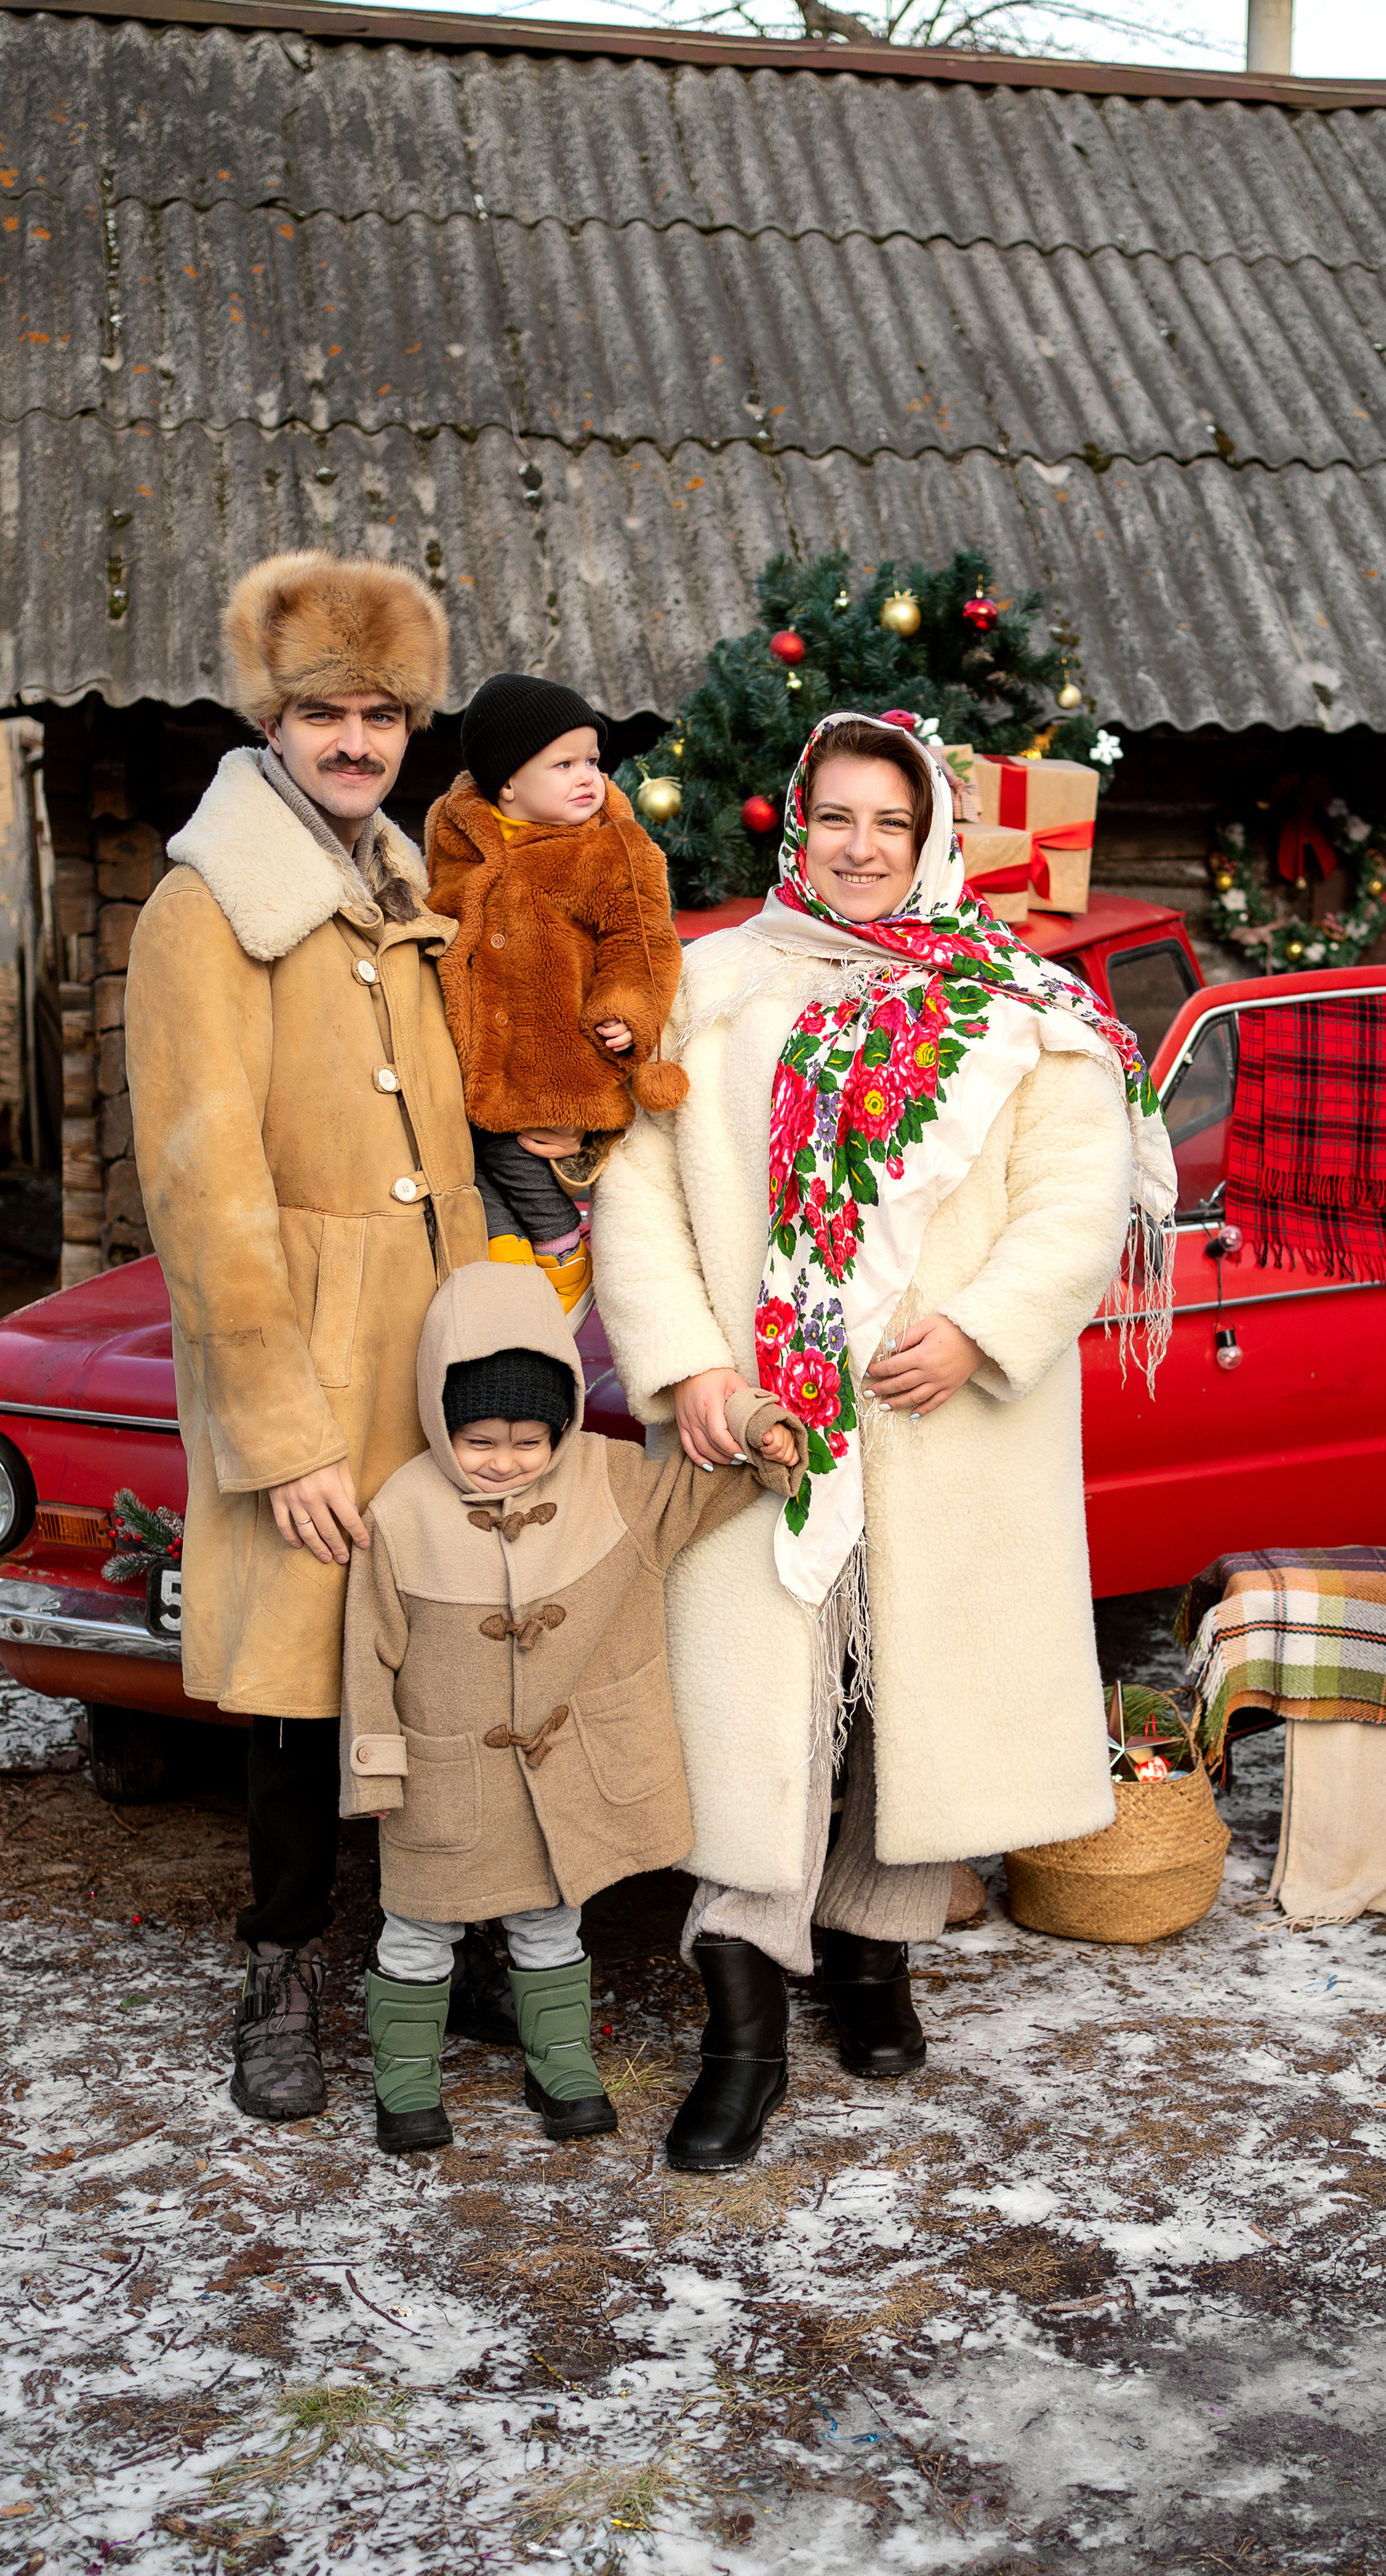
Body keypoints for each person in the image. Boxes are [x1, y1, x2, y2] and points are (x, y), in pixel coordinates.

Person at [591, 713, 1174, 2172]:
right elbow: (641, 1195)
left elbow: (1078, 1195)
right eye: (835, 817)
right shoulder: (714, 992)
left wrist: (981, 1326)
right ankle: (742, 2042)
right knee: (757, 1729)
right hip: (762, 1440)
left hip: (943, 1432)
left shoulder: (1023, 1009)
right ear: (798, 824)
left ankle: (872, 1961)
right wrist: (691, 1370)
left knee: (902, 1715)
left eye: (888, 826)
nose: (858, 848)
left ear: (933, 845)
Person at [125, 549, 484, 2126]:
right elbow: (207, 1197)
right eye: (327, 711)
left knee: (448, 1660)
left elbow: (460, 1151)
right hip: (308, 1368)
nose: (356, 740)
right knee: (297, 1694)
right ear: (273, 717)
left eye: (382, 714)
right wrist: (281, 1434)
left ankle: (449, 1940)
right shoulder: (206, 915)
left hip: (432, 1362)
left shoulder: (404, 904)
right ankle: (280, 1966)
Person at [340, 1260, 801, 2153]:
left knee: (551, 1924)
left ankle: (562, 2066)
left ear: (564, 1421)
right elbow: (370, 1651)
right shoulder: (402, 1508)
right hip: (448, 1778)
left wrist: (760, 1425)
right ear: (440, 1417)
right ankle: (404, 2082)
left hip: (563, 1784)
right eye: (478, 1440)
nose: (504, 1462)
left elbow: (725, 1479)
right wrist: (377, 1769)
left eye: (527, 1440)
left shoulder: (611, 1481)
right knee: (418, 1928)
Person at [424, 673, 687, 1316]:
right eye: (564, 763)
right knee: (464, 1166)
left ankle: (562, 1247)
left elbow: (641, 937)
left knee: (514, 1154)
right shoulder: (456, 836)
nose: (588, 777)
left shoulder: (608, 848)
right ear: (507, 783)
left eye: (593, 761)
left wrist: (627, 1010)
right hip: (474, 1055)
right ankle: (509, 1250)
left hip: (558, 1051)